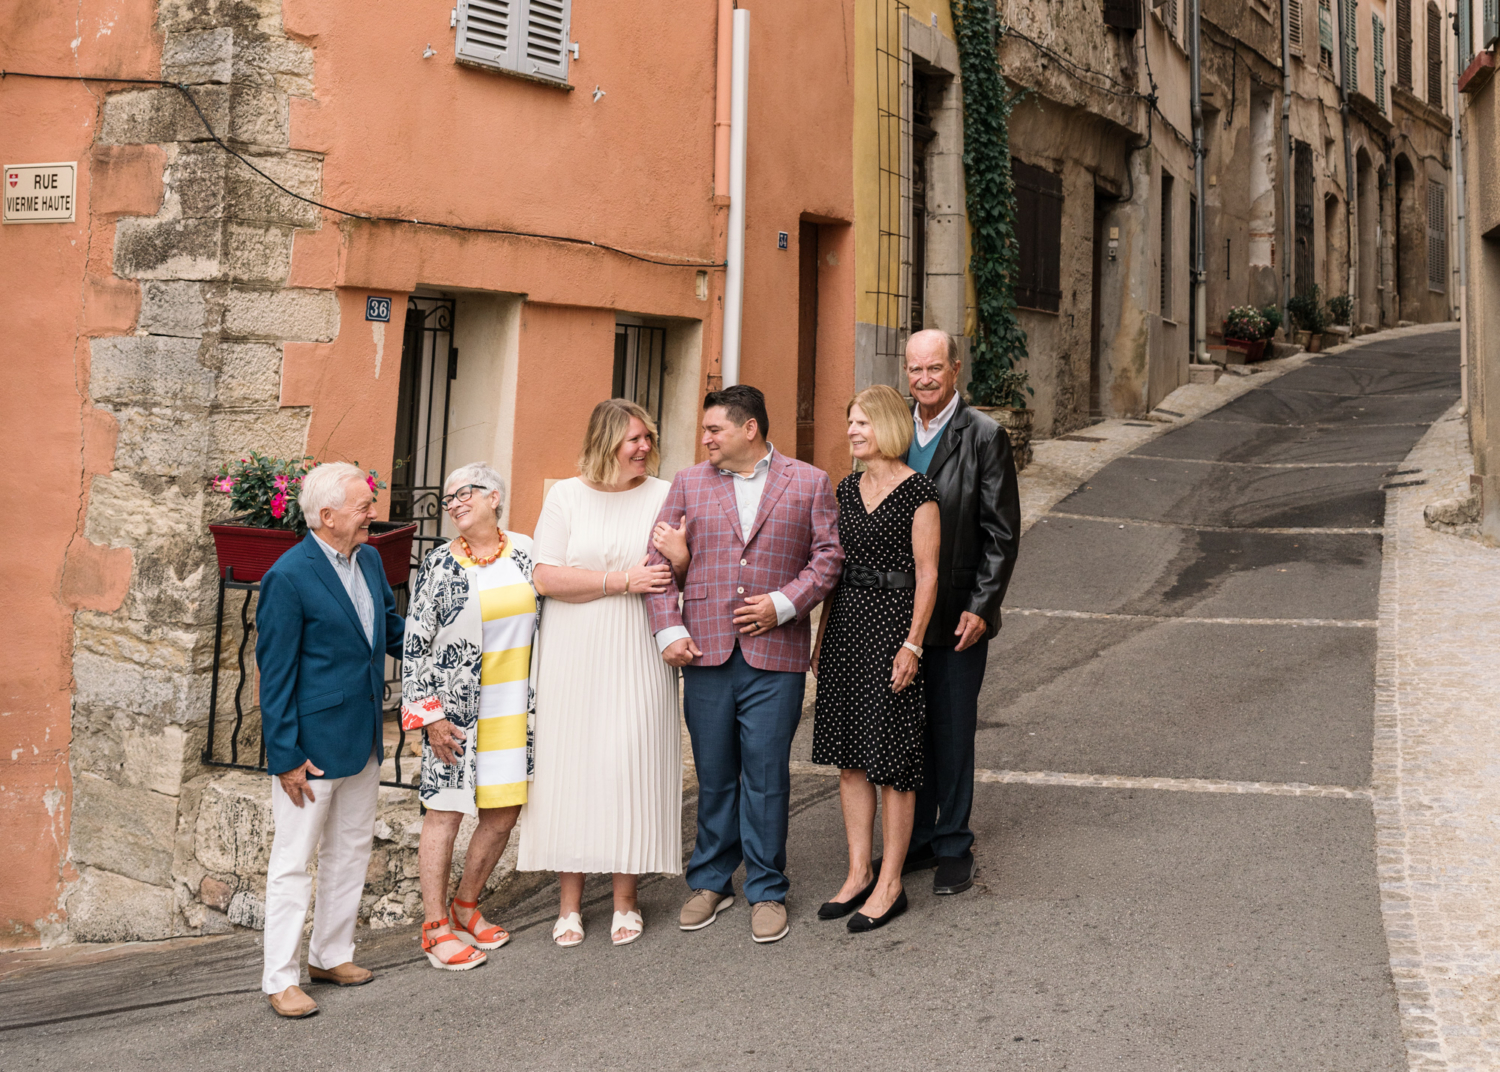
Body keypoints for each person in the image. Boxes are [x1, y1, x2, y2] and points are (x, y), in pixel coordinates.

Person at [645, 384, 844, 944]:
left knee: (764, 776)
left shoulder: (808, 482)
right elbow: (656, 564)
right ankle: (710, 881)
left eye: (714, 430)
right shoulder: (687, 483)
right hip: (705, 649)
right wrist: (670, 627)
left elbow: (828, 557)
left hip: (774, 655)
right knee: (713, 775)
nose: (704, 438)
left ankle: (766, 888)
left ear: (749, 428)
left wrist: (784, 604)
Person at [521, 399, 681, 947]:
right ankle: (568, 906)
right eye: (633, 438)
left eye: (647, 437)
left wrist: (677, 559)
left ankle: (625, 900)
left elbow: (682, 568)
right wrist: (619, 581)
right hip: (573, 651)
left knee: (627, 764)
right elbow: (545, 577)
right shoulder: (565, 496)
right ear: (605, 441)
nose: (643, 447)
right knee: (572, 769)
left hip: (638, 648)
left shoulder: (664, 494)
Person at [256, 462, 405, 1018]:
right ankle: (280, 978)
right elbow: (275, 676)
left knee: (351, 852)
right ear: (326, 516)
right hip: (311, 751)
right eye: (363, 506)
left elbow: (387, 629)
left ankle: (330, 954)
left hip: (363, 737)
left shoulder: (367, 558)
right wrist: (286, 757)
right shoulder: (288, 577)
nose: (373, 513)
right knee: (294, 861)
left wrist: (441, 640)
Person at [810, 385, 940, 932]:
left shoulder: (920, 493)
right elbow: (836, 567)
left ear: (886, 427)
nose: (852, 432)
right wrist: (820, 636)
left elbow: (928, 575)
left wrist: (912, 644)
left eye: (861, 423)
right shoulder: (846, 487)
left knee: (893, 761)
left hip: (893, 629)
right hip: (846, 626)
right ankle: (859, 871)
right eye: (850, 423)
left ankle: (891, 884)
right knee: (851, 754)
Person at [897, 328, 1021, 896]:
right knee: (908, 728)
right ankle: (918, 837)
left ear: (955, 370)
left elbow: (1001, 533)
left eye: (934, 369)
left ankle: (953, 844)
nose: (923, 379)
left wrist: (982, 604)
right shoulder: (894, 430)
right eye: (914, 369)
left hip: (957, 615)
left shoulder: (984, 436)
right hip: (900, 611)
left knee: (952, 730)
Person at [400, 464, 537, 970]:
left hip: (514, 706)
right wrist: (428, 717)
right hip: (453, 710)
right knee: (446, 811)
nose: (454, 502)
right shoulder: (438, 564)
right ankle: (435, 928)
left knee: (503, 812)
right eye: (448, 497)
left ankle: (466, 906)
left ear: (494, 497)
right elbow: (414, 647)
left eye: (465, 493)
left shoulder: (525, 551)